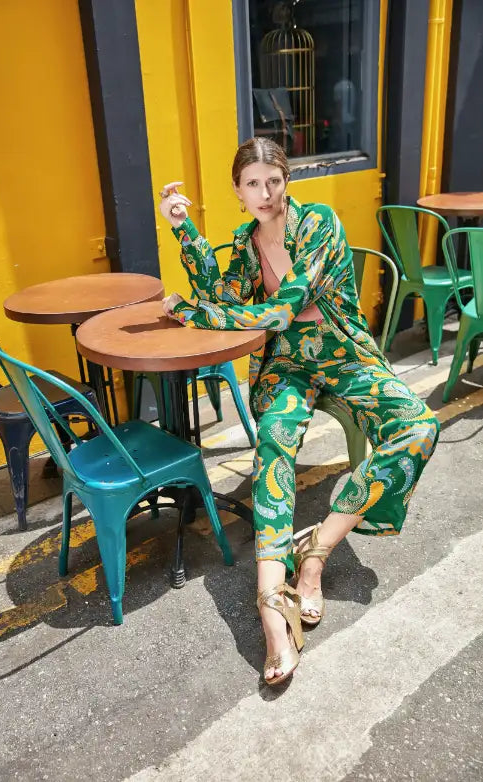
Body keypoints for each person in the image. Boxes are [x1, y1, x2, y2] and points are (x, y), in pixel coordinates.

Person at [158, 137, 440, 686]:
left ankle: (316, 551)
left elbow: (281, 309)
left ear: (287, 180)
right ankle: (271, 609)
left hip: (344, 353)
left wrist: (190, 312)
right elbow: (226, 296)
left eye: (273, 181)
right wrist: (184, 229)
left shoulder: (319, 224)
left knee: (419, 427)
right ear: (238, 192)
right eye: (252, 184)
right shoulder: (245, 245)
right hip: (285, 365)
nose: (265, 193)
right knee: (274, 444)